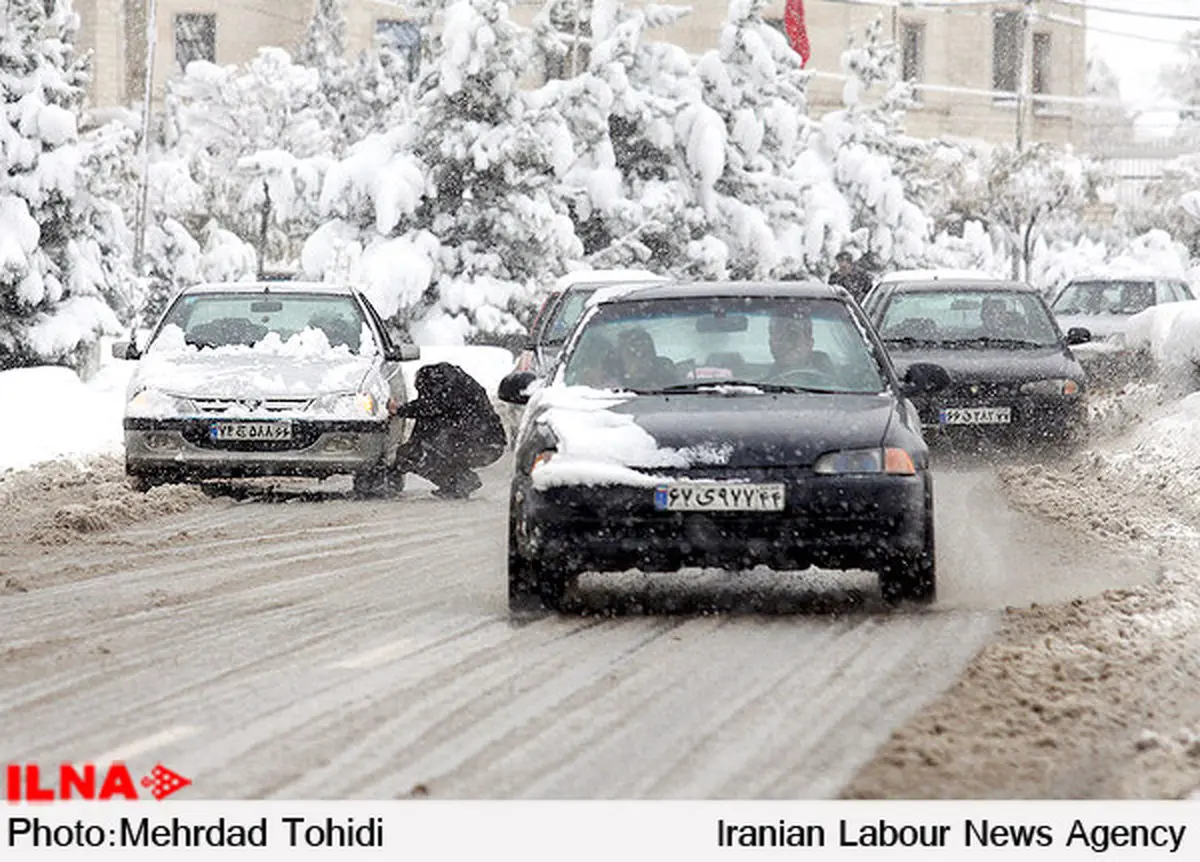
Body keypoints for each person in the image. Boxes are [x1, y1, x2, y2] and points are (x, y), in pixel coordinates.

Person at [388, 362, 507, 499]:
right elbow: (426, 419)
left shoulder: (445, 394)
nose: (422, 396)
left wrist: (400, 410)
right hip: (489, 443)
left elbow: (431, 409)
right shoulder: (458, 386)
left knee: (413, 454)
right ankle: (460, 478)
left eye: (422, 391)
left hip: (477, 444)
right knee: (419, 450)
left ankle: (458, 482)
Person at [766, 311, 834, 379]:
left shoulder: (834, 385)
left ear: (809, 343)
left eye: (793, 337)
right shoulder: (760, 386)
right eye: (779, 338)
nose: (787, 344)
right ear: (771, 344)